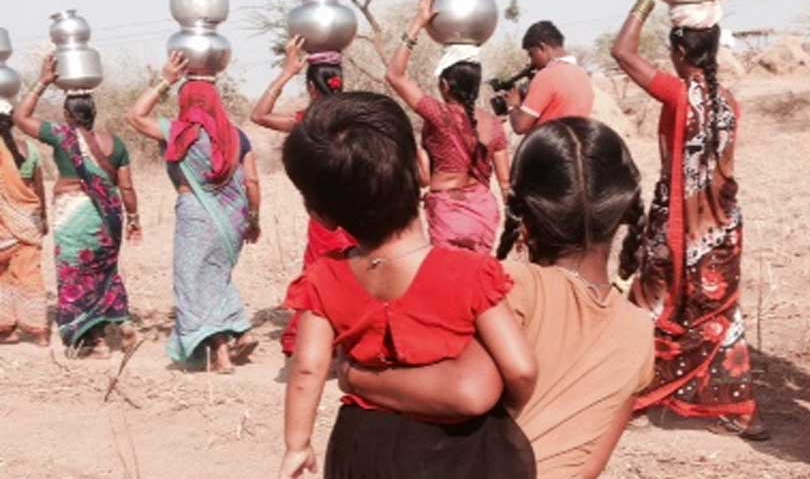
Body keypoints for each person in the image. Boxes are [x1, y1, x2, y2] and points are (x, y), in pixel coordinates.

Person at [338, 117, 656, 479]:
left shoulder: (507, 286)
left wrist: (355, 376)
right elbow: (589, 467)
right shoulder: (640, 333)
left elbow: (460, 391)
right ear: (624, 210)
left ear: (524, 215)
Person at [278, 92, 537, 479]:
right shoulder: (470, 272)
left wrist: (296, 445)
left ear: (320, 214)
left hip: (364, 446)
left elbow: (307, 371)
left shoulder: (322, 277)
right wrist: (506, 410)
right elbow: (521, 369)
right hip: (463, 449)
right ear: (421, 167)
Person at [609, 0, 767, 439]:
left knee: (651, 306)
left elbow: (621, 52)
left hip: (678, 225)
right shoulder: (730, 102)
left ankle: (628, 392)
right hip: (721, 229)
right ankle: (736, 407)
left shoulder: (678, 94)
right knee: (718, 314)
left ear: (679, 50)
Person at [127, 52, 261, 373]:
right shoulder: (237, 136)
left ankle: (222, 351)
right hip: (233, 218)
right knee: (215, 276)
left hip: (195, 215)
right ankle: (235, 330)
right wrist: (253, 219)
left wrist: (165, 80)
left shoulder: (179, 132)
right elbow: (252, 181)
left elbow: (135, 116)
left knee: (191, 282)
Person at [14, 56, 141, 357]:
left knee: (75, 274)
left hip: (72, 213)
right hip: (108, 217)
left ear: (68, 116)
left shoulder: (61, 136)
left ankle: (93, 341)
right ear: (93, 113)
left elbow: (20, 117)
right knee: (104, 271)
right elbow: (126, 187)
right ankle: (122, 325)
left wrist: (44, 81)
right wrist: (134, 217)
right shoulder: (116, 144)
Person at [250, 35, 356, 356]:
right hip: (358, 214)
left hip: (322, 218)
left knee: (321, 279)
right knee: (357, 277)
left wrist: (286, 72)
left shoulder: (304, 122)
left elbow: (259, 115)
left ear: (311, 88)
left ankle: (317, 345)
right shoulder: (355, 122)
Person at [386, 0, 511, 254]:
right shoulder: (494, 124)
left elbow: (395, 75)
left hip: (449, 214)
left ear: (444, 84)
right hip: (484, 213)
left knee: (451, 286)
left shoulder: (439, 115)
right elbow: (506, 185)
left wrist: (418, 23)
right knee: (478, 286)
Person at [0, 100, 49, 346]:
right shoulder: (29, 148)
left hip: (3, 226)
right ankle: (39, 332)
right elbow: (39, 187)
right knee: (30, 275)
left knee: (2, 276)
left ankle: (6, 329)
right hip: (29, 221)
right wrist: (44, 218)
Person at [506, 20, 594, 135]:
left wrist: (513, 105)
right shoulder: (582, 74)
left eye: (531, 54)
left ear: (541, 47)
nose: (531, 62)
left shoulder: (547, 76)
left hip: (548, 147)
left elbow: (520, 126)